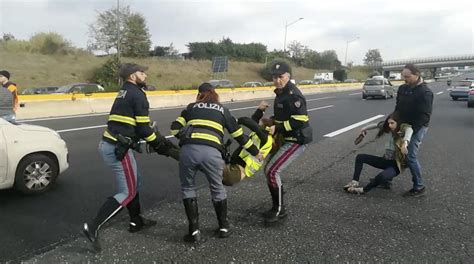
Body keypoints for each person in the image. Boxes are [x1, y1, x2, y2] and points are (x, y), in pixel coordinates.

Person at [83, 63, 178, 251]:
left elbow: (134, 125)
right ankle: (92, 227)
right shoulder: (138, 95)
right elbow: (143, 129)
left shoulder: (124, 92)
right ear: (132, 76)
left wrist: (155, 139)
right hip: (118, 148)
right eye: (142, 73)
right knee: (127, 192)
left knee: (135, 183)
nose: (145, 75)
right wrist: (160, 143)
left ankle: (136, 221)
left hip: (113, 143)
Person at [170, 82, 262, 242]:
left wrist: (189, 137)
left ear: (199, 95)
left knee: (188, 187)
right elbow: (239, 136)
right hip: (211, 153)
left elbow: (174, 129)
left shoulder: (190, 108)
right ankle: (224, 227)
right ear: (215, 95)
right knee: (217, 188)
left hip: (188, 151)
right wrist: (256, 153)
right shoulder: (224, 111)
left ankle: (193, 231)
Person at [263, 61, 312, 223]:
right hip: (286, 138)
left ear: (288, 76)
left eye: (280, 76)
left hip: (296, 139)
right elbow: (283, 116)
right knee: (269, 170)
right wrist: (271, 120)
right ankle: (277, 206)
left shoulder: (293, 95)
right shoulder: (281, 93)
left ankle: (279, 210)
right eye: (274, 77)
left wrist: (277, 127)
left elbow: (301, 120)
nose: (277, 80)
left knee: (272, 171)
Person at [344, 112, 413, 194]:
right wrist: (364, 128)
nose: (390, 125)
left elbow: (409, 130)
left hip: (395, 166)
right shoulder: (388, 128)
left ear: (398, 123)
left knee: (382, 176)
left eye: (392, 123)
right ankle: (354, 182)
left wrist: (405, 143)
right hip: (385, 161)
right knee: (360, 157)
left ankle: (363, 190)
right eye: (389, 123)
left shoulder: (403, 129)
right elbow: (377, 125)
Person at [395, 63, 433, 197]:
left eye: (407, 76)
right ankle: (386, 178)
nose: (405, 79)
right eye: (403, 76)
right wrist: (394, 121)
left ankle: (419, 186)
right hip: (402, 124)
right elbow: (398, 108)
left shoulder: (425, 92)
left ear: (417, 75)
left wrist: (409, 135)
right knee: (392, 150)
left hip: (417, 127)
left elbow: (424, 117)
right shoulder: (402, 88)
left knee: (410, 156)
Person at [222, 101, 274, 186]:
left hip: (239, 169)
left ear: (265, 127)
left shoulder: (265, 138)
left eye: (260, 123)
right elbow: (254, 122)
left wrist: (235, 122)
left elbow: (249, 122)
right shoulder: (263, 137)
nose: (258, 124)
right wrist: (260, 110)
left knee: (219, 174)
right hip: (241, 164)